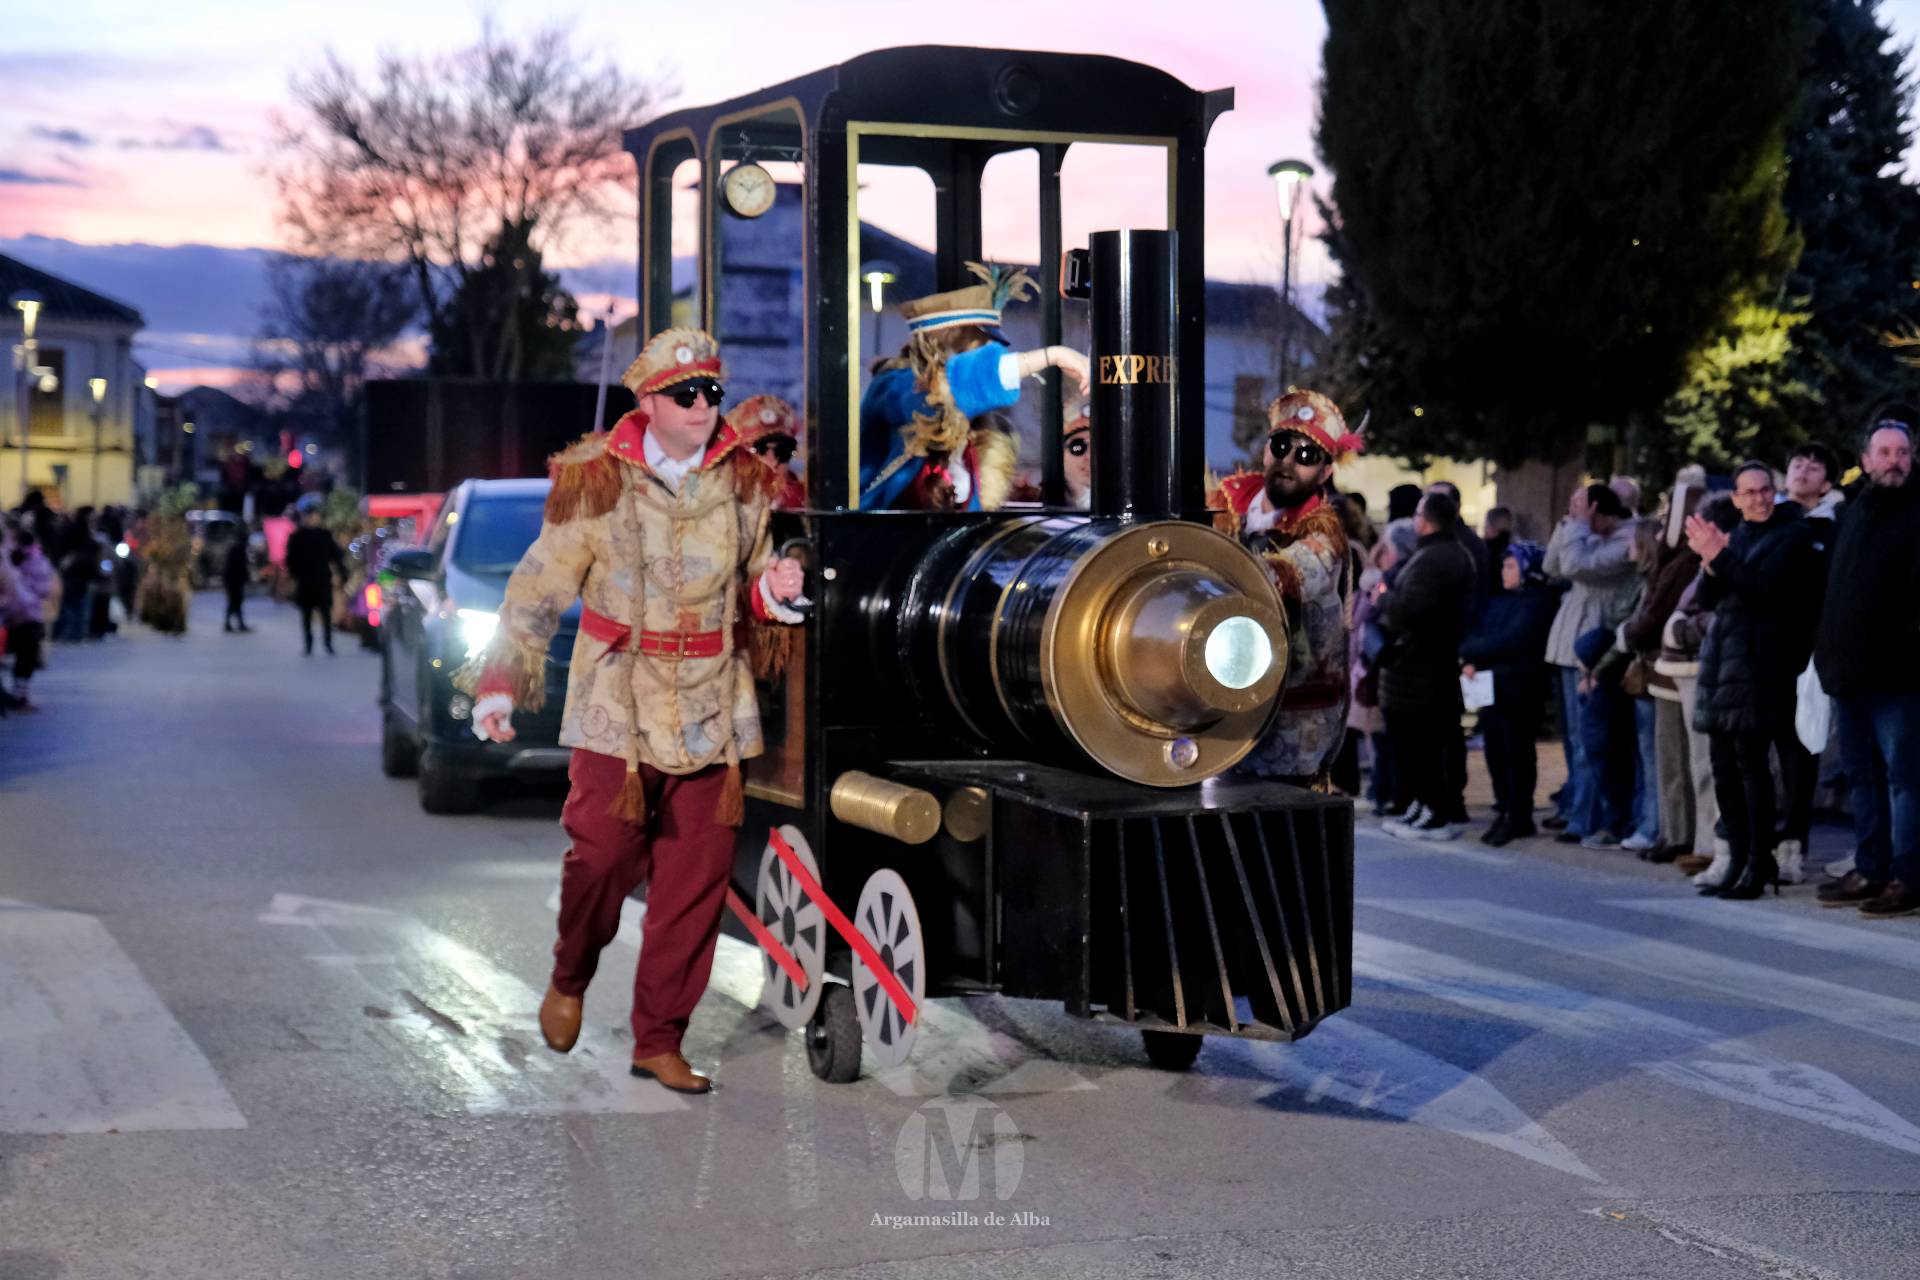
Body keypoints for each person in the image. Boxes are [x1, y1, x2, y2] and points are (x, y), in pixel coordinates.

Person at [463, 327, 806, 1094]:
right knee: (604, 857)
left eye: (713, 392)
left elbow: (752, 591)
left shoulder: (750, 481)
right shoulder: (595, 478)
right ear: (647, 401)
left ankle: (660, 1039)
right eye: (685, 394)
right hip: (617, 702)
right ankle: (571, 973)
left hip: (714, 703)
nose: (702, 406)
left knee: (695, 886)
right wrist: (498, 684)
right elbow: (537, 589)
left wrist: (776, 596)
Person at [1211, 388, 1365, 788]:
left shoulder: (1323, 534)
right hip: (1222, 715)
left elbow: (1278, 578)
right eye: (1281, 445)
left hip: (1293, 731)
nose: (1287, 461)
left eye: (1306, 455)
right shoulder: (1224, 503)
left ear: (1326, 472)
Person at [1687, 460, 1821, 899]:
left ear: (1775, 491)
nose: (1759, 499)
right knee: (1724, 770)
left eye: (1765, 490)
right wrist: (1710, 563)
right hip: (1725, 668)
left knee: (1752, 771)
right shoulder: (1739, 535)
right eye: (1749, 492)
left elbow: (1763, 588)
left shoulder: (1793, 535)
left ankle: (1760, 863)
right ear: (1736, 499)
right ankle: (1738, 858)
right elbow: (1708, 599)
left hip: (1763, 671)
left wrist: (1719, 556)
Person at [859, 262, 1089, 511]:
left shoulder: (972, 436)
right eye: (982, 350)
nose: (994, 357)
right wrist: (1052, 356)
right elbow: (946, 391)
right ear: (947, 348)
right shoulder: (894, 388)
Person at [1814, 420, 1920, 918]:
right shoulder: (1853, 511)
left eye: (1902, 451)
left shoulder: (1918, 512)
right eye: (1885, 451)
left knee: (1905, 779)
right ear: (1867, 457)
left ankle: (1907, 876)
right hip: (1847, 674)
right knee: (1861, 776)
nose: (1894, 459)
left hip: (1899, 678)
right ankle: (1871, 867)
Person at [1377, 491, 1478, 840]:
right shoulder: (1444, 554)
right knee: (1420, 747)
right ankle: (1422, 805)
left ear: (1427, 519)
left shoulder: (1435, 559)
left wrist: (1383, 599)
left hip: (1422, 669)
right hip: (1425, 667)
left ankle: (1434, 811)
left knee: (1424, 746)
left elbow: (1411, 612)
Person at [1542, 483, 1636, 838]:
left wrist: (1577, 527)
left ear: (1597, 507)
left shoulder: (1625, 539)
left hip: (1594, 643)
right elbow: (1552, 565)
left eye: (1579, 503)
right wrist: (1566, 524)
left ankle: (1588, 817)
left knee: (1590, 739)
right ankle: (1575, 806)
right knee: (1571, 737)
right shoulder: (1580, 532)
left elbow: (1577, 565)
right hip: (1568, 641)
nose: (1574, 509)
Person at [1622, 483, 1706, 862]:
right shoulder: (1674, 558)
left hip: (1675, 672)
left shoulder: (1684, 561)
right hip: (1663, 670)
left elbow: (1655, 615)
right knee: (1669, 758)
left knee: (1675, 759)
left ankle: (1679, 834)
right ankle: (1673, 831)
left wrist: (1628, 634)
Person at [1459, 541, 1561, 844]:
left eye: (1511, 565)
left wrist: (1477, 653)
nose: (1505, 571)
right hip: (1493, 688)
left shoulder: (1537, 601)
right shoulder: (1501, 601)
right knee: (1496, 752)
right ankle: (1504, 807)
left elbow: (1513, 639)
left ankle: (1519, 813)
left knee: (1516, 752)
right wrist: (1472, 656)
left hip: (1520, 688)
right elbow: (1480, 635)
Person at [284, 499, 345, 655]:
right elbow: (291, 561)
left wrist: (343, 574)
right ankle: (309, 644)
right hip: (306, 581)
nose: (312, 518)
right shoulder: (297, 537)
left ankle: (327, 643)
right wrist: (294, 577)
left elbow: (336, 557)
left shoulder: (325, 535)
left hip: (321, 579)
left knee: (325, 614)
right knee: (306, 615)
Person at [725, 396, 805, 511]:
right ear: (737, 456)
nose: (772, 460)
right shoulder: (719, 500)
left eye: (783, 450)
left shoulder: (808, 502)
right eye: (760, 449)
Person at [221, 531, 252, 633]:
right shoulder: (239, 549)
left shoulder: (235, 548)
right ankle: (232, 623)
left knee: (235, 602)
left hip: (232, 580)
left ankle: (234, 623)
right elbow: (241, 566)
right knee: (235, 602)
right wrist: (246, 577)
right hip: (234, 580)